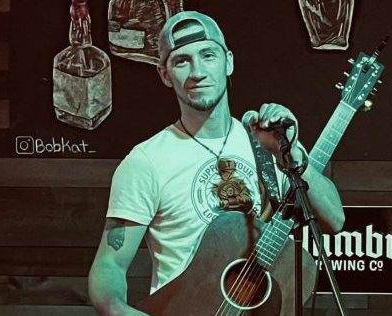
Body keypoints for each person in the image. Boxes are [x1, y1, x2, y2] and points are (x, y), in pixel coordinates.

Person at [88, 10, 345, 315]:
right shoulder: (146, 161)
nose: (197, 71)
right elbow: (110, 264)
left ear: (229, 62)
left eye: (208, 55)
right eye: (182, 61)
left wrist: (292, 156)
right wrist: (116, 308)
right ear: (164, 74)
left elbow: (334, 220)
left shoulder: (268, 145)